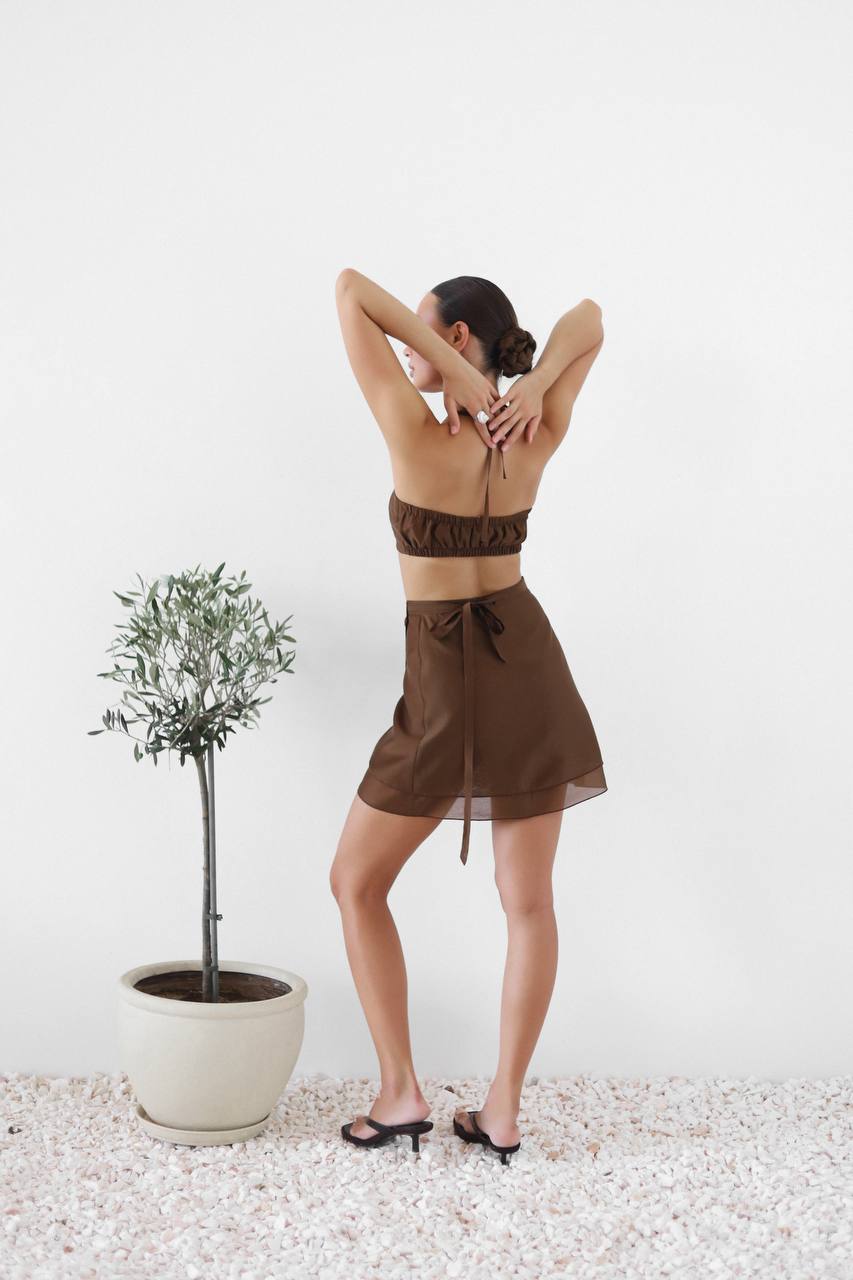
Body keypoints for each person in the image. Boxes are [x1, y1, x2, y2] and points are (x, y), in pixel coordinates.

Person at [330, 269, 607, 1161]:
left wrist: (466, 379)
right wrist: (521, 384)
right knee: (527, 905)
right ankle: (501, 1112)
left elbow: (345, 290)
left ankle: (402, 1093)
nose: (406, 346)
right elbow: (589, 319)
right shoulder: (535, 433)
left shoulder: (413, 430)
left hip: (445, 684)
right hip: (529, 668)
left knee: (355, 882)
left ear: (452, 335)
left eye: (425, 333)